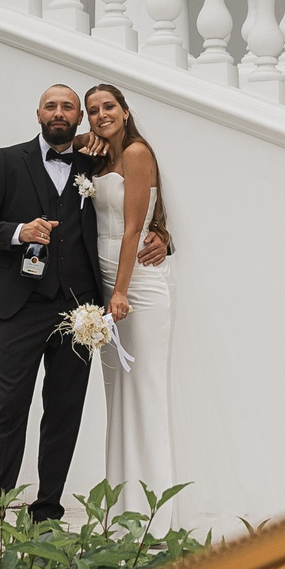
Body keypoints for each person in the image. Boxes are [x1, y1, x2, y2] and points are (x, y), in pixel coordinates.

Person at [0, 83, 167, 523]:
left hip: (80, 310)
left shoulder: (95, 161)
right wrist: (19, 232)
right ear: (38, 114)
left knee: (64, 413)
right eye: (51, 106)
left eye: (68, 107)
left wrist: (162, 236)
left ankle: (47, 513)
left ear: (78, 120)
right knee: (9, 409)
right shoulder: (8, 160)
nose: (59, 112)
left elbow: (129, 214)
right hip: (19, 306)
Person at [84, 81, 178, 534]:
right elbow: (67, 142)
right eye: (93, 110)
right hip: (104, 284)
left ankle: (155, 520)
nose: (101, 114)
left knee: (145, 392)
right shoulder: (99, 155)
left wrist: (120, 292)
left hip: (136, 284)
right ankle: (122, 514)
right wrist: (89, 137)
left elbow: (134, 229)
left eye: (109, 106)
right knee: (117, 395)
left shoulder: (138, 154)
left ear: (125, 110)